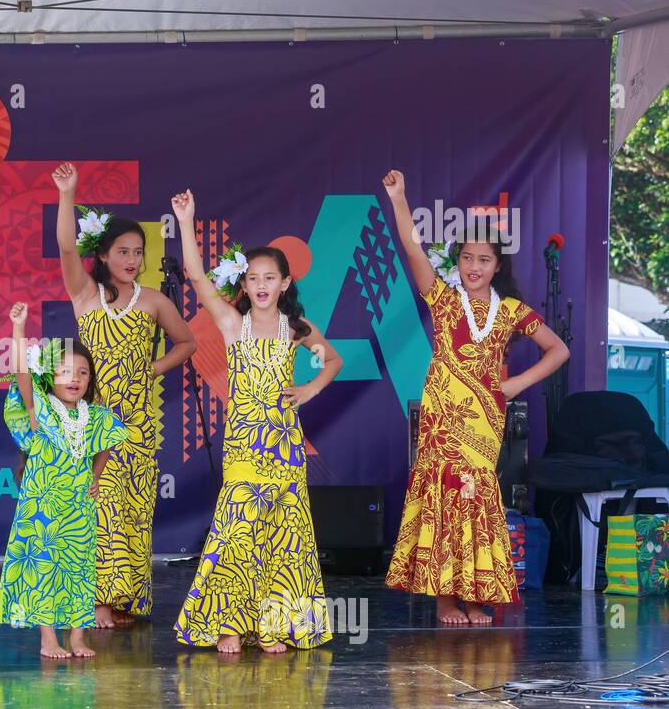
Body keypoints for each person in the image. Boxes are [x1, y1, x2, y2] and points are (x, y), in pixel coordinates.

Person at [380, 169, 568, 625]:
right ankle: (445, 597)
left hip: (484, 416)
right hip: (442, 412)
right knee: (442, 491)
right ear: (458, 262)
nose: (474, 267)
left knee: (476, 494)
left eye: (484, 260)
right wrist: (400, 198)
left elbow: (559, 349)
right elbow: (411, 248)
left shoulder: (510, 311)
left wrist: (517, 384)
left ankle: (474, 593)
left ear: (497, 266)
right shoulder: (444, 300)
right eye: (467, 258)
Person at [171, 188, 339, 654]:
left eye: (270, 277)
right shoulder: (231, 324)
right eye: (253, 278)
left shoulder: (296, 330)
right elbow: (198, 278)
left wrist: (309, 389)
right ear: (243, 286)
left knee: (286, 536)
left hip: (285, 447)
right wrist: (186, 221)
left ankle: (274, 626)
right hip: (245, 445)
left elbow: (331, 361)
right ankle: (229, 625)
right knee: (239, 531)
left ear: (285, 283)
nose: (261, 284)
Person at [52, 162, 196, 628]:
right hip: (93, 420)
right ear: (104, 254)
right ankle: (95, 602)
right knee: (101, 506)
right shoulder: (85, 293)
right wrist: (67, 195)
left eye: (138, 252)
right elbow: (65, 245)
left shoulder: (154, 300)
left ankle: (123, 601)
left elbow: (188, 343)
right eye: (122, 251)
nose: (132, 260)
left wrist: (152, 368)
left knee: (133, 510)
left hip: (139, 423)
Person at [0, 301, 128, 658]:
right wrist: (19, 328)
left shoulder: (96, 416)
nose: (75, 379)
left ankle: (78, 638)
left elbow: (105, 446)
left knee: (80, 570)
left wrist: (96, 477)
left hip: (78, 507)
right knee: (43, 568)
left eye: (83, 373)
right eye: (66, 371)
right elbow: (22, 371)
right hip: (42, 506)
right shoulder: (41, 411)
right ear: (49, 377)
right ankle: (48, 639)